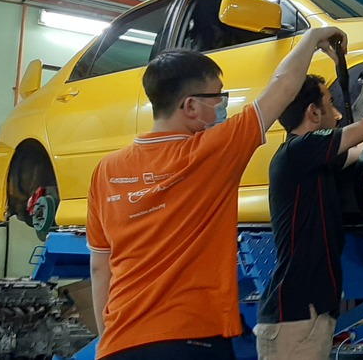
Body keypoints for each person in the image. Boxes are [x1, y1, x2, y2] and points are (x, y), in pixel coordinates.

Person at [87, 26, 347, 360]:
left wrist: (107, 342)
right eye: (218, 98)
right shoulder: (212, 151)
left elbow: (100, 267)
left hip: (120, 345)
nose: (223, 106)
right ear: (191, 106)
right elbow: (283, 86)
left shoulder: (106, 170)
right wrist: (311, 39)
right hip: (192, 340)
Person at [254, 63, 363, 360]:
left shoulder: (314, 159)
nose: (339, 114)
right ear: (313, 113)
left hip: (307, 316)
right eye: (331, 104)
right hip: (295, 318)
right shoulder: (298, 151)